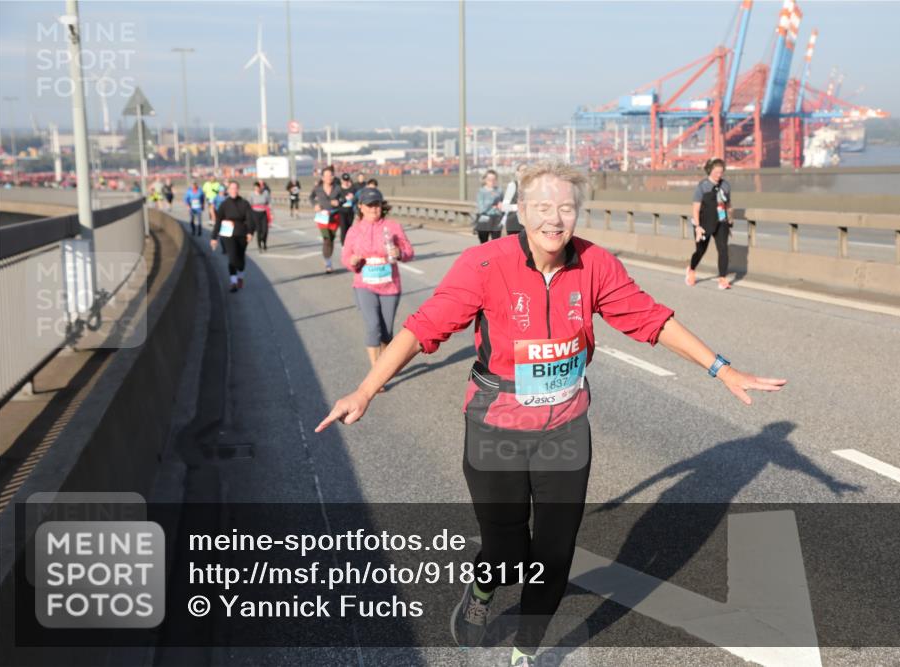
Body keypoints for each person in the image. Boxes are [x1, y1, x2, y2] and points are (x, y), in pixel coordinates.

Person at [315, 162, 786, 666]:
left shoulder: (594, 264)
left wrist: (722, 368)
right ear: (521, 211)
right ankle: (481, 592)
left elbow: (650, 319)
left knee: (555, 554)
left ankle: (526, 649)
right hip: (495, 426)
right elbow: (421, 328)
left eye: (566, 208)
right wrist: (366, 389)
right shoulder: (485, 264)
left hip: (565, 428)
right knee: (506, 553)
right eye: (542, 207)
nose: (555, 220)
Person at [340, 188, 414, 377]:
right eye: (370, 205)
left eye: (377, 204)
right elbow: (345, 256)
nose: (374, 209)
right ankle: (377, 371)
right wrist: (352, 261)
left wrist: (400, 253)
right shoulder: (354, 230)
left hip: (390, 285)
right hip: (364, 284)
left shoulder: (393, 226)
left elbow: (409, 252)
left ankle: (385, 361)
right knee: (373, 326)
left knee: (386, 331)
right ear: (361, 207)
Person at [686, 157, 733, 290]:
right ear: (710, 171)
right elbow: (695, 208)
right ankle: (692, 269)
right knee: (700, 250)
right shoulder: (703, 186)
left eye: (721, 172)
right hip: (704, 223)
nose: (719, 175)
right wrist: (698, 227)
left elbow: (728, 204)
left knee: (723, 249)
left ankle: (722, 279)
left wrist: (730, 221)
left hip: (721, 221)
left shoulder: (726, 185)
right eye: (716, 172)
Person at [210, 181, 255, 292]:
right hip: (228, 234)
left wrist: (250, 232)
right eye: (231, 188)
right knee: (232, 258)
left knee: (240, 260)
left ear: (238, 189)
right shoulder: (224, 204)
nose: (233, 190)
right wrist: (214, 237)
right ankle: (233, 282)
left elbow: (250, 219)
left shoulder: (244, 203)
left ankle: (240, 276)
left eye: (235, 188)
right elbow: (218, 221)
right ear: (228, 190)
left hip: (241, 233)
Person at [310, 166, 344, 273]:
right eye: (326, 176)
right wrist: (315, 205)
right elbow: (311, 197)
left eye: (331, 175)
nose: (329, 177)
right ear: (323, 177)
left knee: (331, 239)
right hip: (322, 217)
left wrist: (339, 202)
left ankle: (328, 259)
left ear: (333, 177)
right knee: (326, 239)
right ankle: (328, 263)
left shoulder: (338, 188)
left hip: (334, 216)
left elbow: (343, 198)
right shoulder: (318, 188)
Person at [474, 169, 503, 243]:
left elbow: (502, 206)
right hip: (484, 219)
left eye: (494, 179)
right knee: (484, 243)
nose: (492, 181)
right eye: (489, 179)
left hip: (496, 219)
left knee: (496, 244)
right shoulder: (481, 191)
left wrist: (501, 207)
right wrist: (492, 200)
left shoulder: (499, 191)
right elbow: (481, 209)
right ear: (485, 180)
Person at [500, 164, 525, 235]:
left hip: (527, 223)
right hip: (514, 223)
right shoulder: (512, 186)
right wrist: (518, 207)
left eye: (527, 170)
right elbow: (504, 207)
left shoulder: (531, 186)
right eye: (523, 170)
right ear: (517, 173)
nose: (525, 172)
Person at [249, 181, 272, 252]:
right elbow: (248, 205)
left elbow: (269, 203)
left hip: (264, 213)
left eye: (258, 188)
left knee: (265, 230)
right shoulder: (251, 194)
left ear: (260, 188)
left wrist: (271, 213)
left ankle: (264, 242)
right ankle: (259, 246)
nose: (256, 189)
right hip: (255, 214)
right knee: (259, 230)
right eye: (255, 188)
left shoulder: (265, 193)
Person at [338, 173, 357, 247]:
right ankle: (343, 246)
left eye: (347, 180)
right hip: (342, 211)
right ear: (341, 180)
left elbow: (357, 199)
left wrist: (353, 198)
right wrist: (344, 199)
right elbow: (336, 200)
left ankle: (348, 244)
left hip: (350, 211)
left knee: (349, 229)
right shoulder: (338, 189)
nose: (345, 182)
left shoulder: (353, 188)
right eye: (344, 180)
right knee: (343, 228)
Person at [212, 184, 228, 254]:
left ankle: (228, 247)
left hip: (227, 217)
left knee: (227, 233)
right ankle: (224, 248)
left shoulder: (227, 197)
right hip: (219, 216)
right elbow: (212, 207)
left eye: (223, 191)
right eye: (221, 191)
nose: (222, 192)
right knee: (221, 234)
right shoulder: (216, 198)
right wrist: (213, 216)